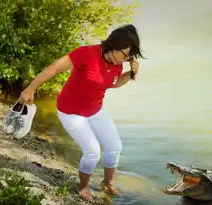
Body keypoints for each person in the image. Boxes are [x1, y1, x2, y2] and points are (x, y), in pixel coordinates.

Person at [19, 24, 143, 201]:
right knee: (93, 152)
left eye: (130, 56)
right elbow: (54, 68)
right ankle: (83, 188)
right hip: (71, 112)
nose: (127, 59)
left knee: (114, 147)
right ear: (114, 46)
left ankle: (107, 183)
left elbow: (113, 83)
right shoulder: (86, 53)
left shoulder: (117, 64)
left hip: (95, 109)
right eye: (126, 54)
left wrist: (131, 74)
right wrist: (30, 89)